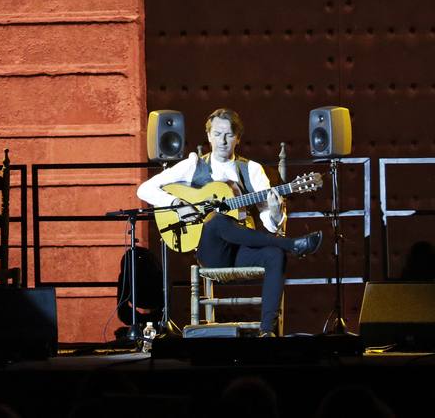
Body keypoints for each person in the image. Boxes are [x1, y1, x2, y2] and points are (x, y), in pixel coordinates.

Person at [137, 108, 322, 336]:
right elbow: (144, 189)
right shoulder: (194, 165)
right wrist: (177, 203)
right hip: (213, 254)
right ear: (208, 136)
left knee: (275, 255)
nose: (222, 141)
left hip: (243, 250)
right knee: (216, 220)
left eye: (228, 135)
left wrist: (275, 212)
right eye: (217, 134)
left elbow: (270, 224)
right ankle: (291, 244)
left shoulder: (251, 170)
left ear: (238, 138)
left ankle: (267, 332)